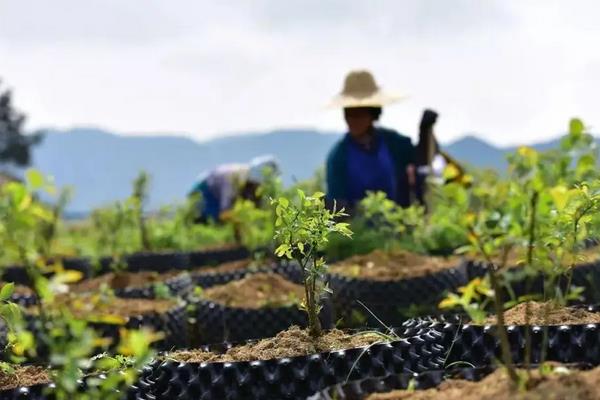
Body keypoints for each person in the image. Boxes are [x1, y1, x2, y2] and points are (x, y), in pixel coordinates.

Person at [326, 70, 415, 212]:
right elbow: (336, 206)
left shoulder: (393, 143)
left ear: (372, 113)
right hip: (358, 230)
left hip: (397, 227)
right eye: (349, 114)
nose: (352, 120)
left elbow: (422, 161)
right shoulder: (339, 156)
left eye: (358, 114)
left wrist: (426, 130)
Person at [189, 155, 280, 222]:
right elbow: (224, 212)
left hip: (216, 192)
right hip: (205, 190)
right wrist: (242, 221)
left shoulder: (248, 180)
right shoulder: (232, 180)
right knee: (208, 218)